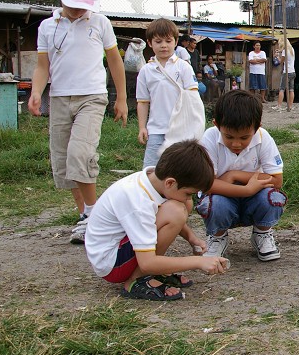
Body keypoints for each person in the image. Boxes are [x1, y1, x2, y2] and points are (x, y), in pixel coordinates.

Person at [27, 0, 128, 245]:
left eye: (83, 5)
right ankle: (85, 216)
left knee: (79, 154)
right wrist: (37, 92)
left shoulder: (100, 23)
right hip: (59, 98)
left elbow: (115, 61)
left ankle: (96, 216)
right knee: (63, 160)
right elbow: (41, 66)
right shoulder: (48, 27)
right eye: (73, 4)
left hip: (92, 97)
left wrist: (121, 98)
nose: (78, 10)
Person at [85, 140, 228, 301]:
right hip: (111, 264)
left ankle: (154, 272)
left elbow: (161, 215)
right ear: (170, 183)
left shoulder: (152, 180)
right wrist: (198, 262)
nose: (190, 199)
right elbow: (147, 262)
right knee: (176, 210)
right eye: (189, 193)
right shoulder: (138, 201)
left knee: (180, 206)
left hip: (120, 247)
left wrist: (191, 237)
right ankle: (136, 280)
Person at [197, 90, 287, 262]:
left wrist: (232, 175)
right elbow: (206, 185)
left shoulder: (263, 138)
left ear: (257, 127)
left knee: (273, 197)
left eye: (245, 137)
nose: (236, 144)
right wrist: (247, 188)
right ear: (217, 125)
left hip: (253, 197)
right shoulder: (209, 138)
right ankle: (218, 236)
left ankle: (262, 232)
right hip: (224, 198)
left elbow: (276, 180)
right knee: (213, 202)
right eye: (229, 136)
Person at [136, 19, 201, 168]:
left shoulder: (184, 67)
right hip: (156, 130)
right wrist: (142, 127)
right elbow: (143, 101)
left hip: (181, 129)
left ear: (176, 42)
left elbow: (193, 99)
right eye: (158, 41)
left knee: (179, 169)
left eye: (168, 41)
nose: (163, 45)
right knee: (151, 169)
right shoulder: (146, 70)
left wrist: (194, 126)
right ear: (150, 43)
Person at [272, 39, 296, 112]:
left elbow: (280, 62)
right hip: (292, 71)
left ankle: (279, 105)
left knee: (282, 89)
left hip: (286, 72)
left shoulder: (284, 51)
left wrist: (276, 56)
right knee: (291, 89)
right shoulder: (291, 49)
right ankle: (290, 105)